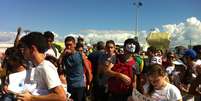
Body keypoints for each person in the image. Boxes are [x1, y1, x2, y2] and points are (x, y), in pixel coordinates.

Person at [16, 32, 66, 101]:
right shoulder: (38, 66)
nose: (22, 51)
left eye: (24, 48)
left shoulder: (45, 67)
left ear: (32, 49)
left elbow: (61, 96)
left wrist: (31, 98)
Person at [62, 36, 92, 101]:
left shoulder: (80, 55)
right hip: (69, 85)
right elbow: (58, 64)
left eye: (70, 45)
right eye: (67, 45)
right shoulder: (65, 56)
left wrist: (88, 85)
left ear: (74, 45)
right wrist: (62, 54)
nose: (68, 47)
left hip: (80, 85)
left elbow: (88, 70)